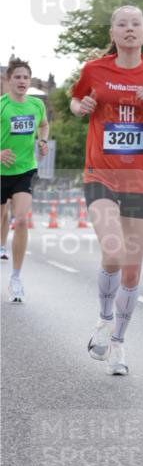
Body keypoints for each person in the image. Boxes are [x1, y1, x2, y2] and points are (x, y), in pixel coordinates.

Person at [70, 5, 143, 375]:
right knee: (114, 252)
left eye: (136, 23)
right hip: (101, 175)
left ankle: (118, 344)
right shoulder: (94, 69)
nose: (130, 29)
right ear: (113, 33)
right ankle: (104, 320)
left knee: (132, 272)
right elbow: (75, 101)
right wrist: (81, 106)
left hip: (140, 181)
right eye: (122, 24)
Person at [0, 58, 49, 300]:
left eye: (26, 77)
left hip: (25, 170)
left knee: (20, 221)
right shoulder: (2, 105)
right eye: (17, 77)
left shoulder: (36, 104)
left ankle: (16, 278)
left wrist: (42, 141)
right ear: (8, 80)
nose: (22, 81)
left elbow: (44, 125)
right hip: (1, 171)